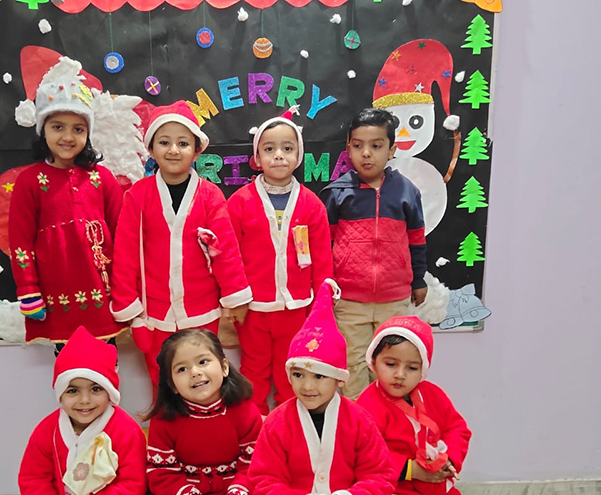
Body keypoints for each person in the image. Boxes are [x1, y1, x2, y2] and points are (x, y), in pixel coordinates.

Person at [248, 280, 397, 495]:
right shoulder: (277, 423)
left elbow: (381, 475)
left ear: (339, 379)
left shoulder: (359, 420)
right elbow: (262, 481)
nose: (307, 386)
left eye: (319, 376)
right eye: (298, 375)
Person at [110, 101, 252, 389]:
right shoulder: (138, 196)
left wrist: (235, 297)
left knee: (204, 380)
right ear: (151, 149)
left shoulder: (210, 196)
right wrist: (130, 311)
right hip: (155, 314)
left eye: (183, 143)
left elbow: (225, 251)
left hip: (202, 311)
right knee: (164, 383)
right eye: (164, 142)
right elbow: (125, 255)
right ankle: (166, 419)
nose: (173, 150)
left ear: (197, 151)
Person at [4, 326, 148, 495]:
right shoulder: (47, 430)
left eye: (95, 389)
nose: (84, 400)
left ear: (110, 391)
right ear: (60, 394)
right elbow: (33, 478)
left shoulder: (126, 431)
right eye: (73, 390)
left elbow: (132, 484)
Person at [357, 316, 495, 495]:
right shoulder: (366, 406)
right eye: (391, 364)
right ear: (374, 361)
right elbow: (365, 453)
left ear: (423, 370)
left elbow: (457, 429)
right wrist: (410, 469)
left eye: (412, 368)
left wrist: (450, 460)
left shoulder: (433, 395)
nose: (400, 375)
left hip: (438, 490)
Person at [138, 329, 271, 495]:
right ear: (172, 384)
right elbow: (162, 474)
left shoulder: (245, 411)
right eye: (182, 369)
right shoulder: (164, 420)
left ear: (224, 366)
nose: (195, 373)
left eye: (203, 361)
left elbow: (254, 466)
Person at [9, 57, 125, 345]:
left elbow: (124, 235)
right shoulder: (29, 182)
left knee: (106, 362)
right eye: (58, 127)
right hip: (55, 299)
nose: (68, 137)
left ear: (88, 133)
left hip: (103, 295)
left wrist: (127, 288)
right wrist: (28, 290)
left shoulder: (102, 178)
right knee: (69, 365)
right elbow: (20, 242)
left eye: (78, 129)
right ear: (43, 130)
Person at [227, 107, 332, 415]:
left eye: (287, 149)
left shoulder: (311, 204)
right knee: (254, 371)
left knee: (293, 370)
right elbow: (229, 256)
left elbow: (322, 259)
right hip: (254, 309)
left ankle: (291, 425)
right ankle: (253, 427)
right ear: (257, 157)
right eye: (269, 149)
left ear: (298, 156)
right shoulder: (240, 202)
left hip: (297, 308)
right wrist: (235, 299)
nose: (279, 156)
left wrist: (321, 307)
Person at [320, 108, 427, 398]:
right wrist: (326, 287)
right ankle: (357, 416)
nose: (366, 153)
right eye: (358, 146)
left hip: (394, 299)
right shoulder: (338, 193)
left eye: (376, 146)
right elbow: (324, 245)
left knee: (391, 363)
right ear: (349, 148)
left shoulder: (406, 192)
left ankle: (388, 417)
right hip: (349, 300)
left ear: (391, 149)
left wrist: (419, 279)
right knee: (352, 364)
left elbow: (417, 240)